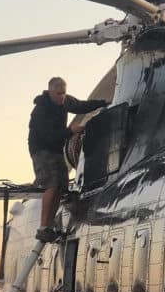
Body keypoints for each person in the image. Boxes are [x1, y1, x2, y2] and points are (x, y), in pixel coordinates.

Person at [28, 77, 108, 242]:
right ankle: (44, 227)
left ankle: (49, 226)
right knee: (52, 183)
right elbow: (47, 136)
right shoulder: (41, 110)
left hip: (56, 149)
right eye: (58, 93)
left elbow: (80, 106)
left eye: (64, 93)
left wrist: (103, 103)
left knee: (61, 185)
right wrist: (70, 131)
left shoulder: (64, 101)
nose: (62, 97)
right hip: (41, 149)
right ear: (50, 92)